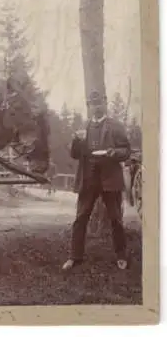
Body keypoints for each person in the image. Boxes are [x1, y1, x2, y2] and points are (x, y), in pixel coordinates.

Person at [62, 91, 131, 271]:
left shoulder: (116, 126)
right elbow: (75, 154)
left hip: (110, 179)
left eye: (99, 102)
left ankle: (121, 255)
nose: (96, 106)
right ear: (89, 106)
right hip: (88, 179)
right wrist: (76, 141)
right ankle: (74, 257)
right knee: (81, 218)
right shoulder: (83, 127)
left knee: (116, 219)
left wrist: (115, 153)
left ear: (105, 103)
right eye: (92, 104)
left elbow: (126, 151)